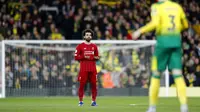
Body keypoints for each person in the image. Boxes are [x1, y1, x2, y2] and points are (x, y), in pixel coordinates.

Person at [132, 0, 189, 112]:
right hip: (176, 41)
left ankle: (152, 107)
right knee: (178, 74)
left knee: (156, 74)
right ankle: (184, 106)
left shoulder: (157, 7)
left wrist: (139, 31)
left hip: (163, 42)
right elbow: (185, 24)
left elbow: (155, 23)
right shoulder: (177, 6)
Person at [74, 29, 99, 106]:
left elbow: (97, 57)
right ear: (84, 36)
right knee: (82, 85)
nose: (88, 36)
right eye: (87, 35)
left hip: (92, 69)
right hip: (83, 69)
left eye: (89, 35)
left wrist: (92, 57)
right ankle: (80, 101)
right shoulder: (80, 46)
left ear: (91, 36)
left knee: (94, 85)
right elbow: (76, 57)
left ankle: (93, 101)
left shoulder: (94, 46)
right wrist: (84, 56)